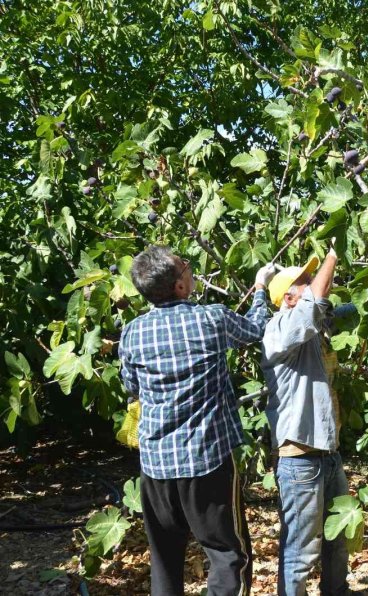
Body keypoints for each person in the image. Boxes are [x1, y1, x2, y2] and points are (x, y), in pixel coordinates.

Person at [118, 245, 278, 596]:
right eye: (185, 266)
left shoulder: (132, 332)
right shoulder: (211, 318)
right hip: (206, 463)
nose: (191, 269)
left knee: (164, 562)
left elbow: (132, 388)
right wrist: (261, 288)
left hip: (156, 467)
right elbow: (256, 329)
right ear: (179, 286)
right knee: (227, 555)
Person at [261, 246, 350, 596]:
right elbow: (317, 300)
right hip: (299, 459)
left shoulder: (309, 332)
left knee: (337, 541)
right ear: (287, 297)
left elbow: (341, 311)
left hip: (328, 454)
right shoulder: (280, 329)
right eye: (303, 281)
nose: (311, 282)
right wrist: (333, 252)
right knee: (301, 551)